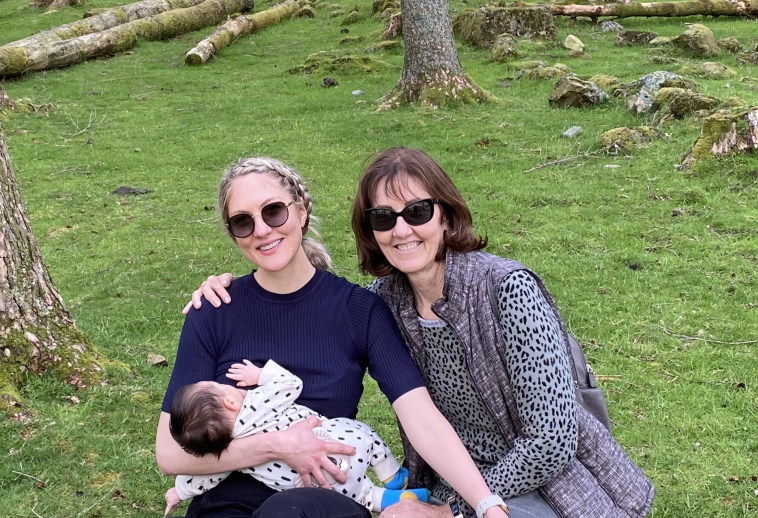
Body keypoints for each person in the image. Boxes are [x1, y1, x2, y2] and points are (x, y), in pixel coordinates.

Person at [190, 148, 655, 518]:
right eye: (383, 218)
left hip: (551, 487)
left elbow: (551, 442)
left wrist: (453, 505)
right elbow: (313, 294)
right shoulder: (385, 301)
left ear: (446, 215)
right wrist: (232, 287)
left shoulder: (508, 289)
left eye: (416, 211)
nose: (401, 230)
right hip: (450, 481)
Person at [158, 156, 511, 518]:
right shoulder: (215, 309)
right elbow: (170, 454)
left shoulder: (359, 310)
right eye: (243, 222)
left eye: (274, 211)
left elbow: (421, 417)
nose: (262, 230)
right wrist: (276, 446)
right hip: (226, 500)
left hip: (324, 494)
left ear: (302, 210)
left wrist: (486, 504)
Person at [163, 358, 429, 516]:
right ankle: (395, 476)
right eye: (219, 385)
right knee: (367, 439)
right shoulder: (257, 403)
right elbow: (291, 384)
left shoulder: (229, 452)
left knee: (363, 495)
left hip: (316, 482)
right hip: (339, 441)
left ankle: (394, 500)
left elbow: (203, 478)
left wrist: (178, 491)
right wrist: (259, 375)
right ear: (230, 401)